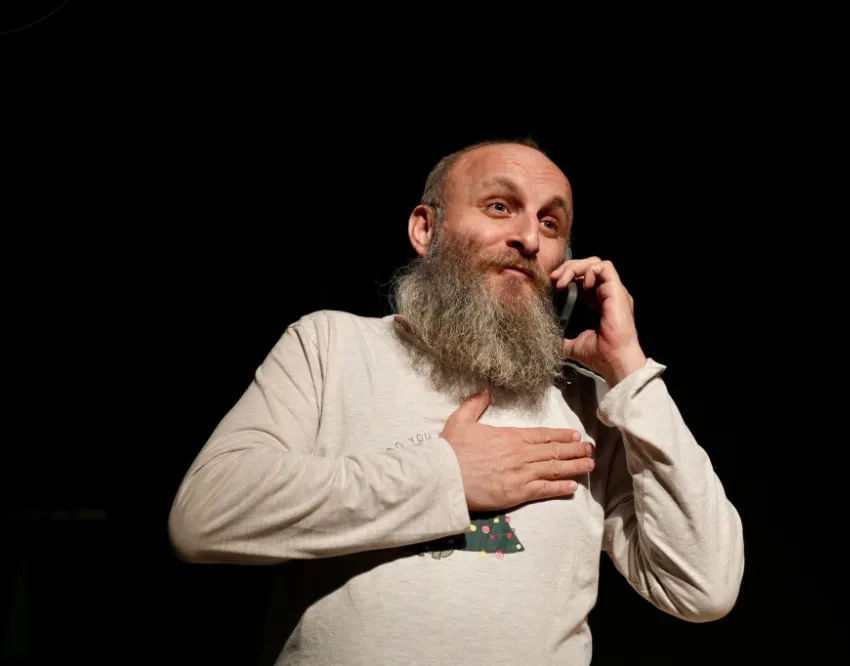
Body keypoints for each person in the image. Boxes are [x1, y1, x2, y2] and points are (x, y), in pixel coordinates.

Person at [168, 138, 745, 665]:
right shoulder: (331, 345)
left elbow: (706, 586)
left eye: (549, 222)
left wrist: (631, 372)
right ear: (426, 229)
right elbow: (204, 516)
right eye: (499, 206)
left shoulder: (590, 405)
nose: (528, 238)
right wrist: (445, 476)